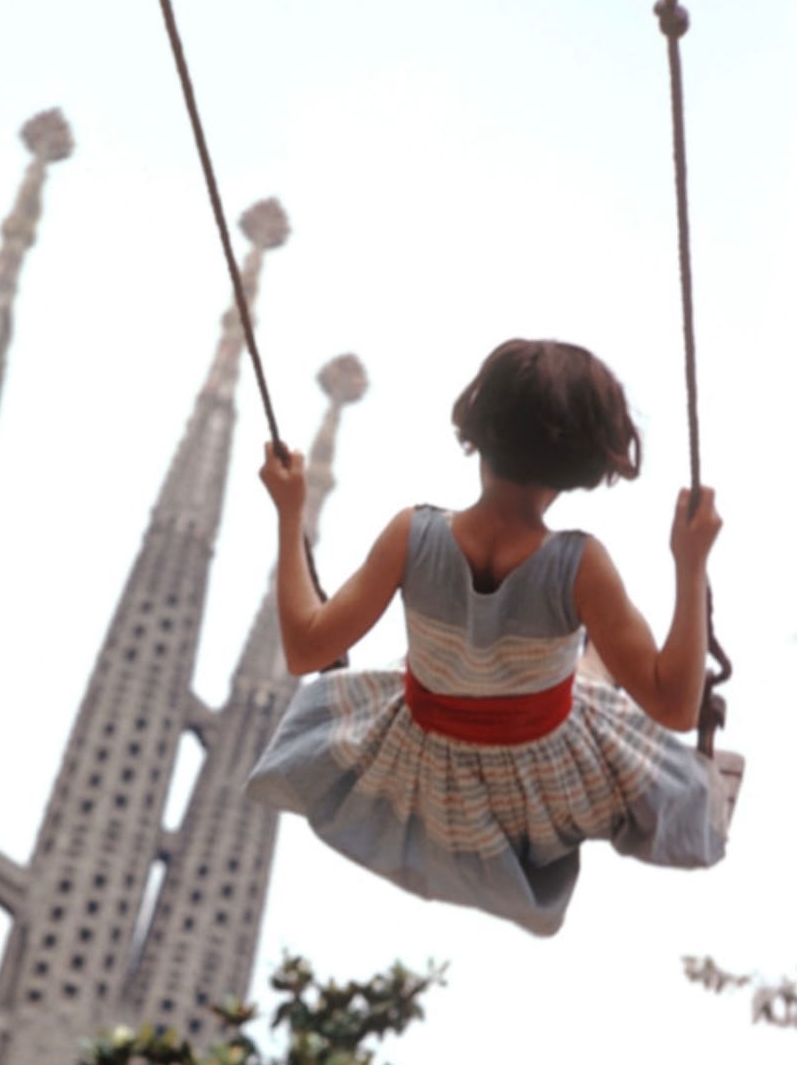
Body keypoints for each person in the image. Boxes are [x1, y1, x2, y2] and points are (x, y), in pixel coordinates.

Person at [245, 337, 731, 936]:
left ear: (479, 427)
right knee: (599, 660)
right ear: (585, 464)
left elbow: (304, 648)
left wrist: (290, 513)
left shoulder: (412, 535)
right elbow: (676, 707)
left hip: (422, 761)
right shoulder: (581, 566)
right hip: (539, 780)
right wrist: (690, 564)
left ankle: (555, 666)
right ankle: (577, 666)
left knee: (515, 653)